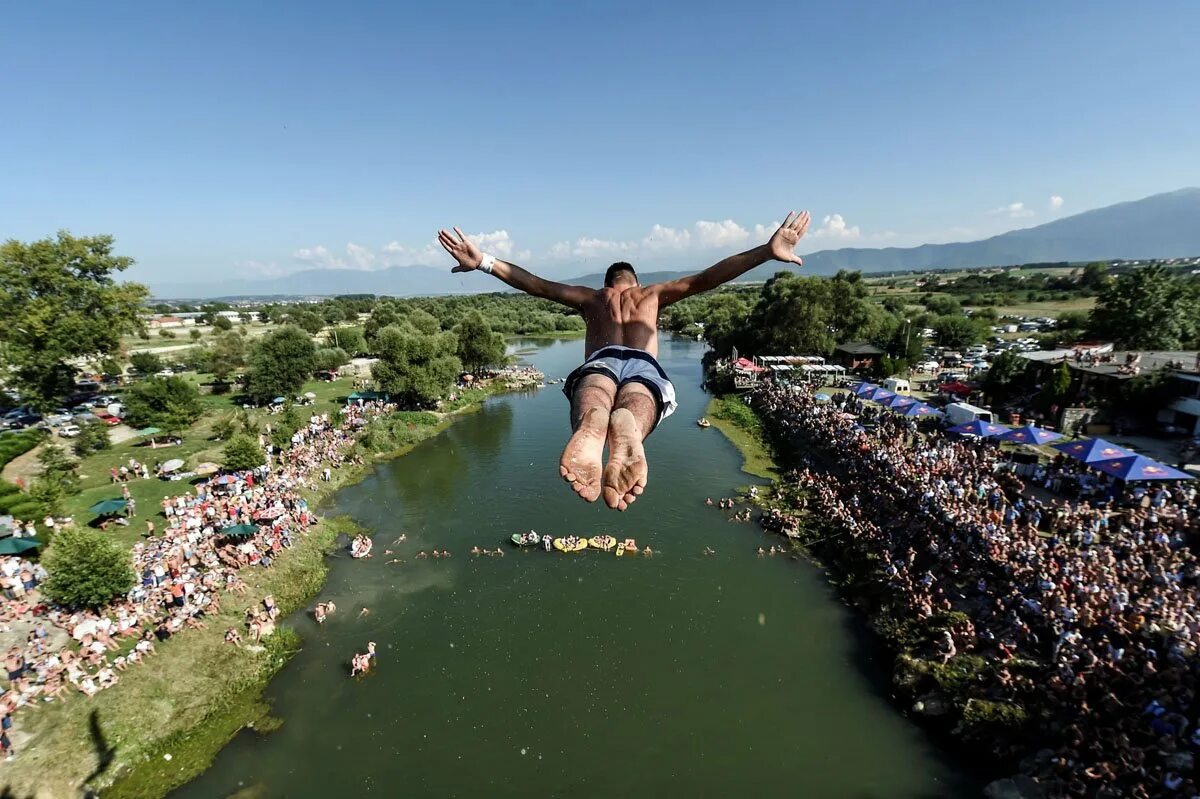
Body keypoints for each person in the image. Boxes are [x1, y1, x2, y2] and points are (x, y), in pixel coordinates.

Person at [437, 211, 811, 510]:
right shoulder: (652, 294)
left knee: (594, 390)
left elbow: (536, 284)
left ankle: (593, 420)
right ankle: (628, 424)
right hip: (641, 363)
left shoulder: (590, 298)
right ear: (634, 281)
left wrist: (484, 261)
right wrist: (764, 251)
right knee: (640, 398)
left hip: (601, 359)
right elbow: (708, 278)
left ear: (607, 284)